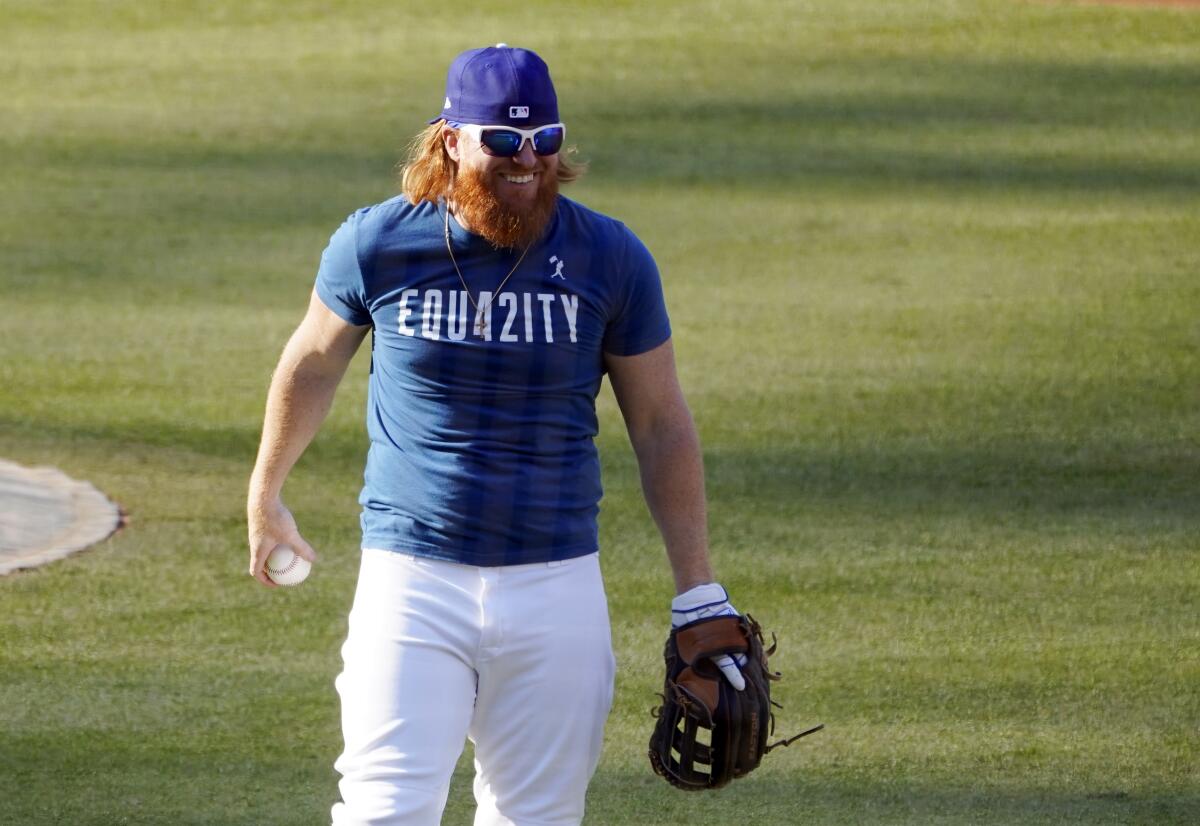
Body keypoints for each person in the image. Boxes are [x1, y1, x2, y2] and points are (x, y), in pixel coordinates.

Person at [247, 44, 745, 826]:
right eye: (504, 144)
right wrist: (266, 490)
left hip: (557, 586)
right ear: (451, 140)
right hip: (412, 583)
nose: (527, 163)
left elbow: (659, 424)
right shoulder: (377, 244)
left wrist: (697, 587)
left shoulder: (610, 257)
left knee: (538, 817)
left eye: (544, 142)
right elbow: (311, 361)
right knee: (382, 812)